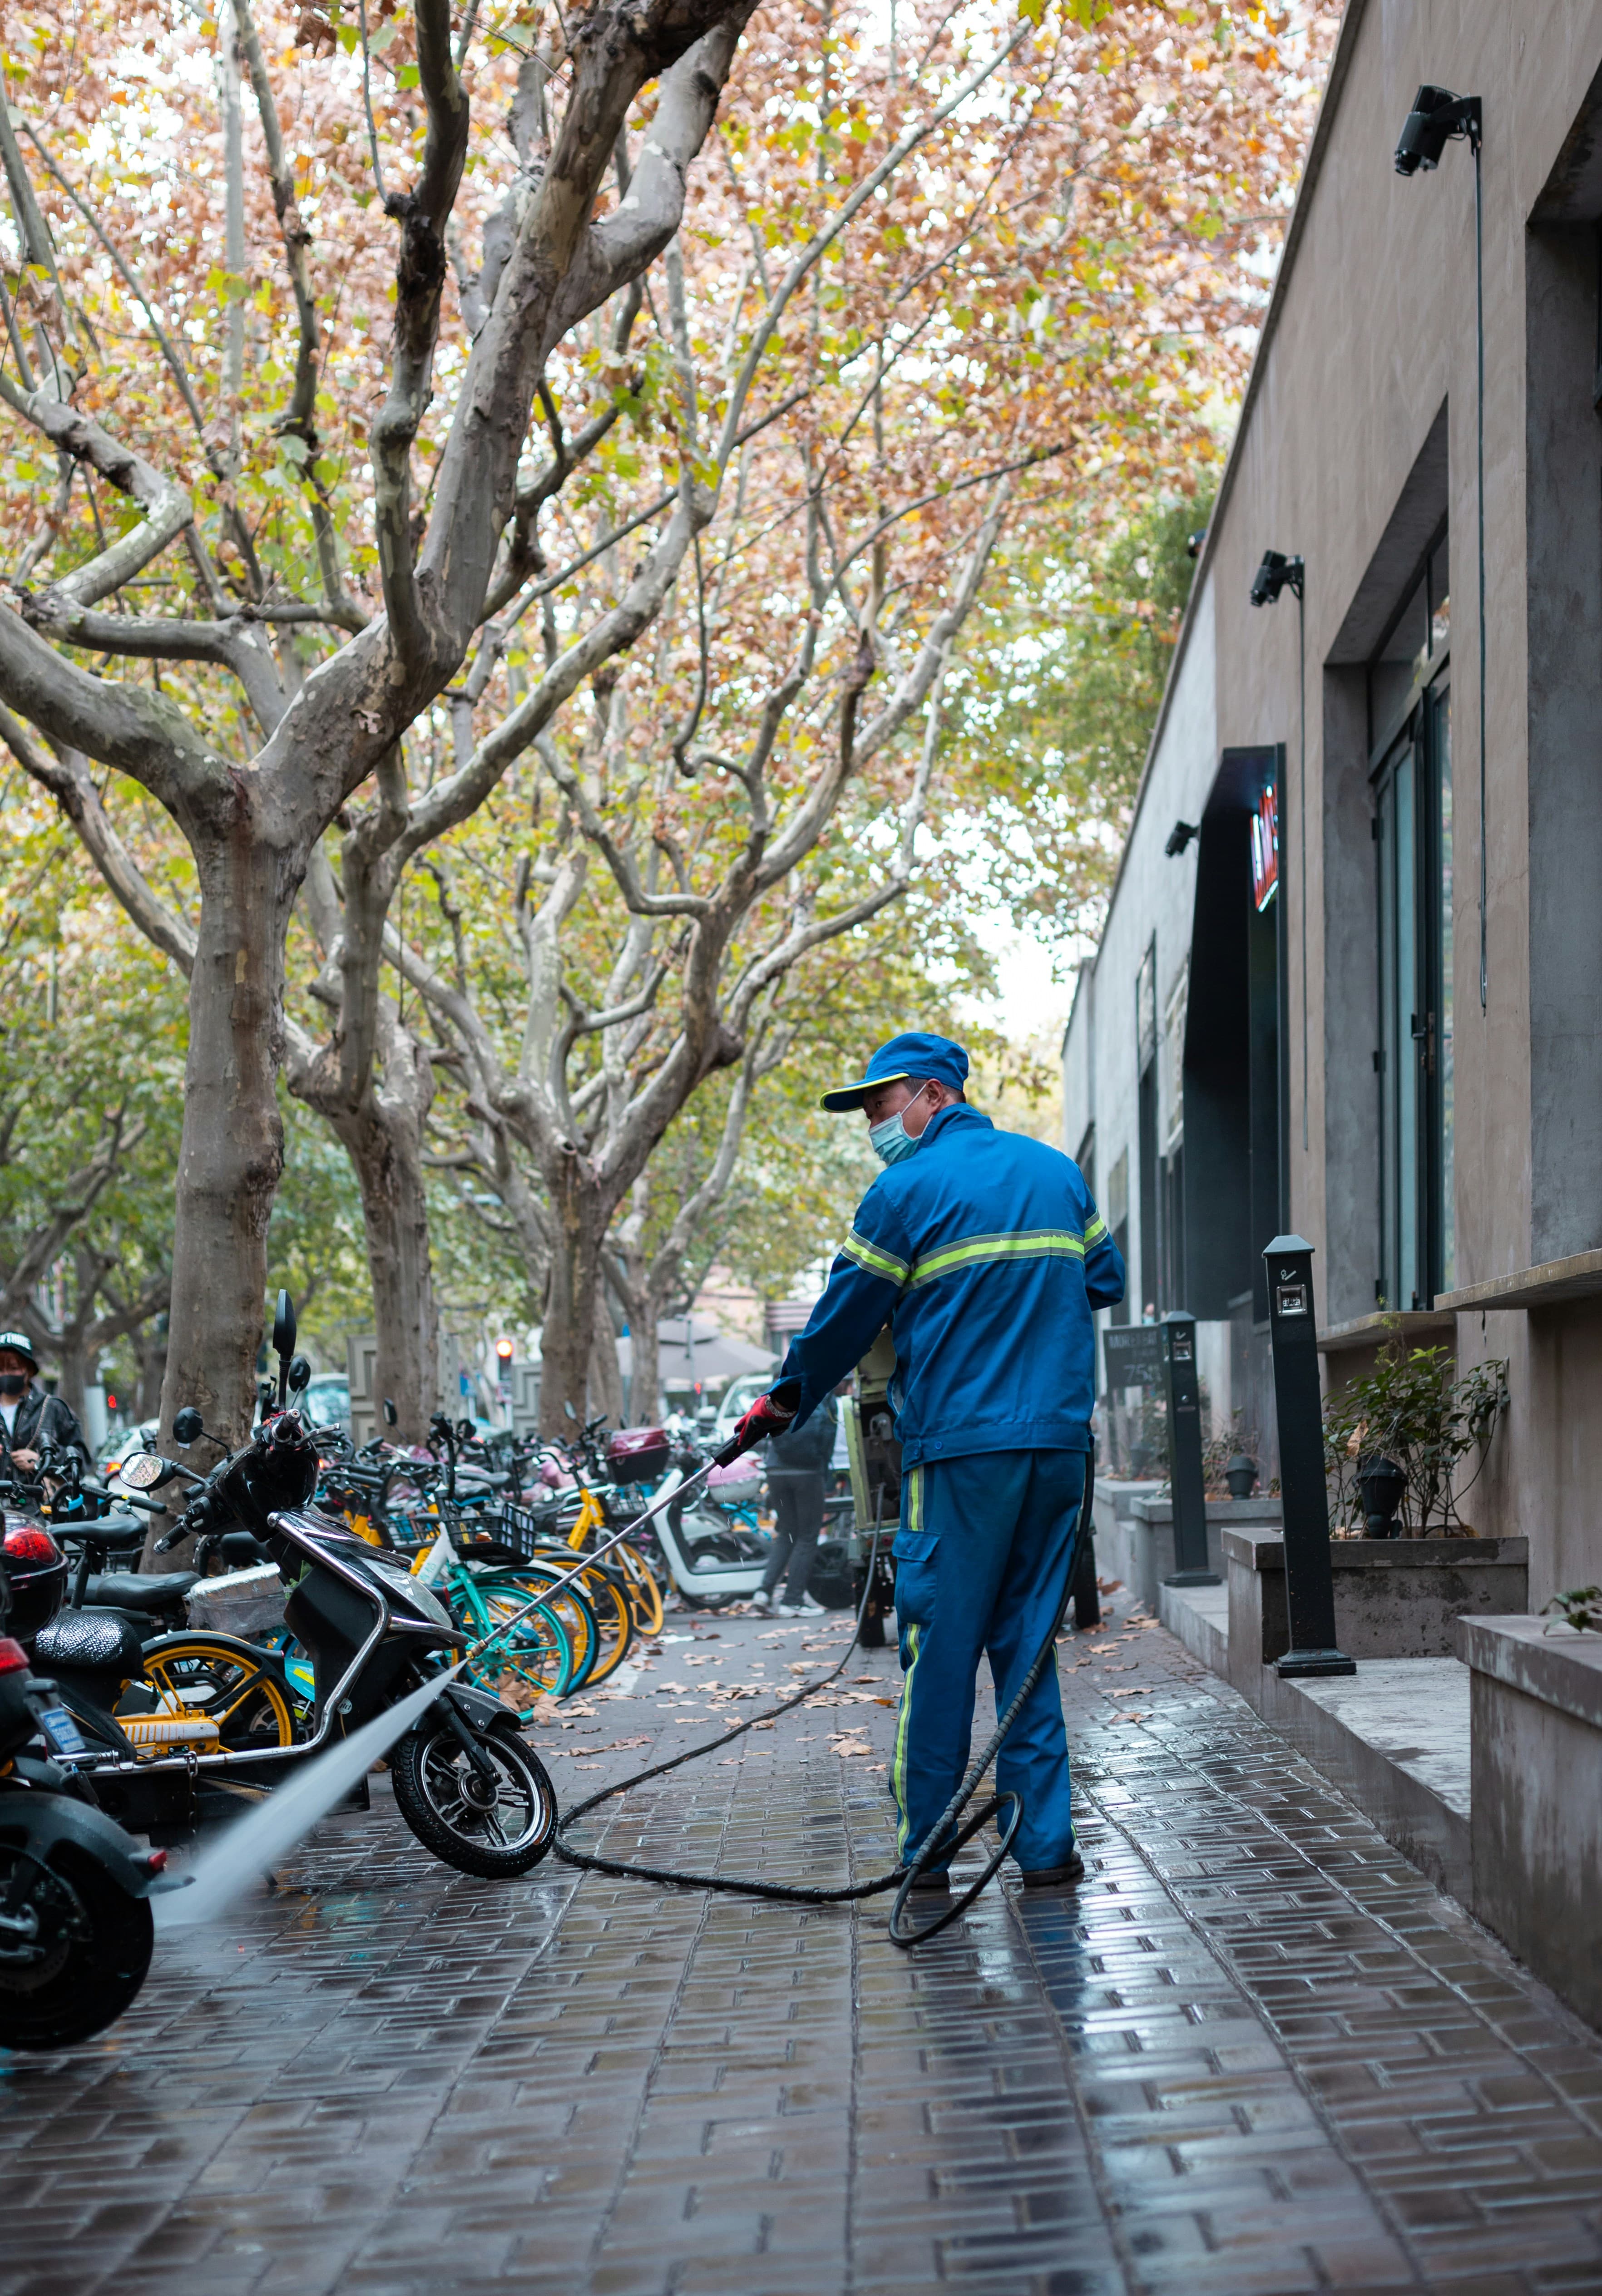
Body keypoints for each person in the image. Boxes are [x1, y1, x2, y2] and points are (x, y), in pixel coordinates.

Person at [735, 1032, 1124, 1895]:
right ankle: (1045, 1847)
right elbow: (1104, 1278)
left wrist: (783, 1399)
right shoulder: (1054, 1171)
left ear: (932, 1095)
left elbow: (842, 1321)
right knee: (1027, 1647)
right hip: (1057, 1448)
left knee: (940, 1648)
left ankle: (928, 1851)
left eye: (879, 1105)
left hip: (959, 1454)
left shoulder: (902, 1191)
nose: (873, 1124)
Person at [752, 1386, 839, 1617]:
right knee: (809, 1535)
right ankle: (792, 1600)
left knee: (787, 1532)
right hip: (807, 1473)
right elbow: (828, 1436)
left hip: (776, 1470)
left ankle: (763, 1593)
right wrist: (824, 1469)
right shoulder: (822, 1393)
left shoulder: (782, 1386)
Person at [0, 1331, 89, 1473]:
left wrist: (43, 1460)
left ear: (29, 1370)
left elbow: (82, 1460)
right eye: (0, 1369)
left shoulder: (52, 1408)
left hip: (40, 1494)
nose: (5, 1374)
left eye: (13, 1368)